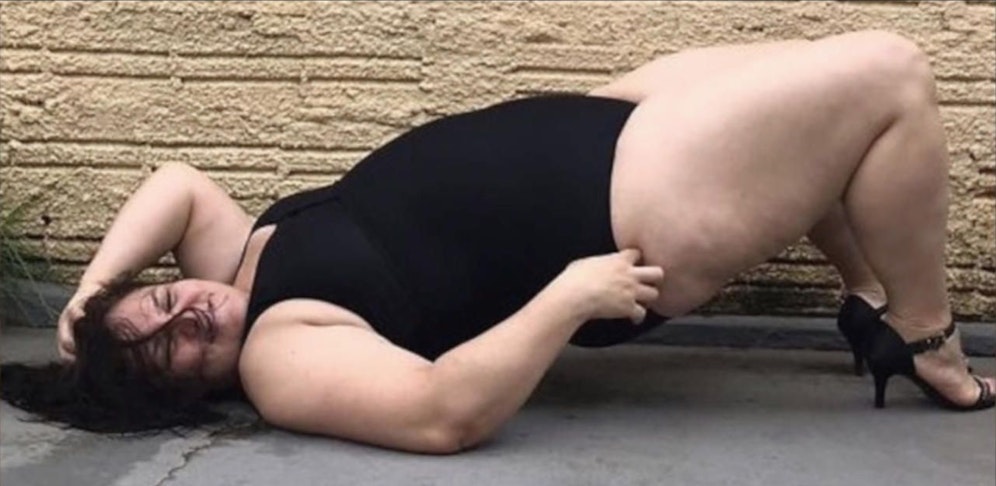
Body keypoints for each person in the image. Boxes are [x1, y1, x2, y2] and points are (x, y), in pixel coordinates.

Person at [2, 30, 992, 454]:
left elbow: (175, 185)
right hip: (629, 213)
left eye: (162, 300)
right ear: (187, 394)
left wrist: (91, 298)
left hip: (609, 125)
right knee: (888, 77)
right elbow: (443, 414)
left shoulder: (232, 268)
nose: (187, 311)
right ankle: (923, 334)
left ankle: (868, 294)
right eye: (171, 347)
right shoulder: (278, 358)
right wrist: (568, 299)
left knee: (815, 91)